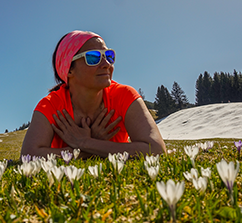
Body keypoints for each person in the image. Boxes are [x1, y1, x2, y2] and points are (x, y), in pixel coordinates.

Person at [21, 30, 166, 159]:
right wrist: (89, 149)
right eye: (93, 57)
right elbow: (29, 155)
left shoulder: (125, 95)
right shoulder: (51, 105)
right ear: (69, 70)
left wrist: (86, 142)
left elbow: (156, 149)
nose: (106, 64)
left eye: (109, 56)